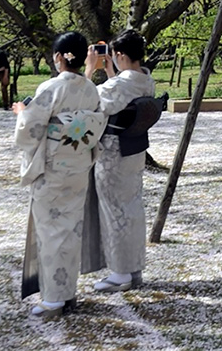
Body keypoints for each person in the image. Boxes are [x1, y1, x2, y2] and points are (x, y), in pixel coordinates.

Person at [13, 32, 107, 320]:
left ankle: (53, 300)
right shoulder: (91, 89)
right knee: (70, 230)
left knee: (51, 232)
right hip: (78, 166)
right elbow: (97, 123)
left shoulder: (51, 87)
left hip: (52, 168)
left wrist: (20, 112)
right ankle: (67, 293)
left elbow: (29, 130)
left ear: (58, 57)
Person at [83, 30, 155, 293]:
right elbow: (120, 96)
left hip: (113, 154)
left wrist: (90, 70)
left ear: (120, 55)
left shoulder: (118, 86)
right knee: (132, 208)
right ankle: (133, 268)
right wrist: (112, 71)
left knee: (114, 211)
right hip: (134, 151)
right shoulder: (147, 80)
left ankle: (120, 273)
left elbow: (87, 101)